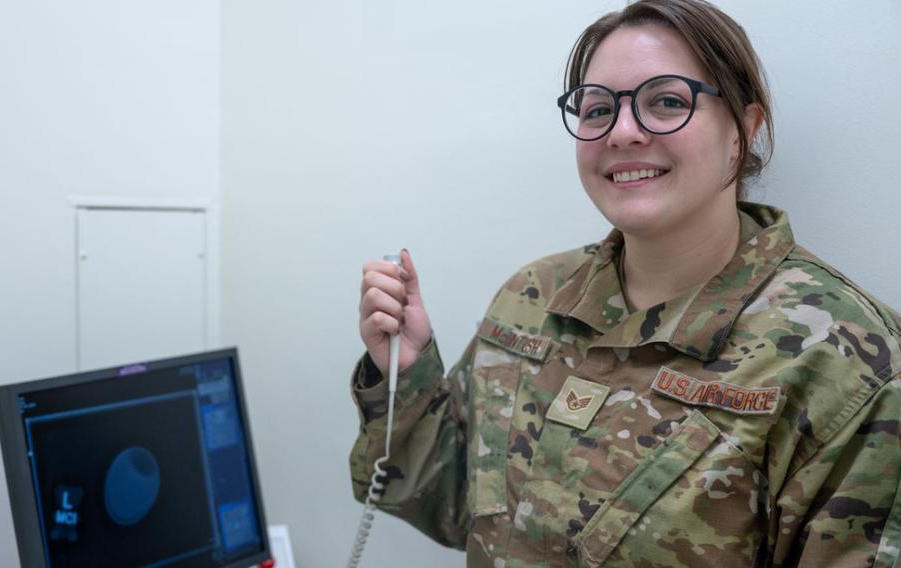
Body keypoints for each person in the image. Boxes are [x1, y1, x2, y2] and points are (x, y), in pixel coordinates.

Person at [349, 0, 901, 565]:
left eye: (666, 102)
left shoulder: (847, 363)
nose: (624, 132)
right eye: (597, 110)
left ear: (744, 129)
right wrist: (406, 372)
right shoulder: (531, 297)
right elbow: (449, 505)